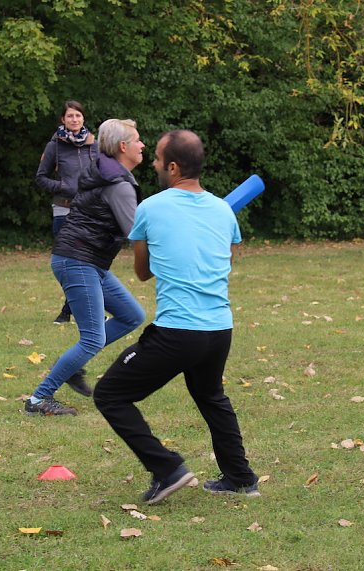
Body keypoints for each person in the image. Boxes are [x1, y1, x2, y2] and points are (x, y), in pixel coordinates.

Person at [93, 130, 260, 504]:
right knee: (210, 395)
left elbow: (142, 272)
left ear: (172, 166)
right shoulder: (223, 210)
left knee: (110, 394)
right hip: (219, 329)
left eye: (155, 158)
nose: (152, 163)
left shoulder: (151, 208)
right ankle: (241, 478)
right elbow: (226, 260)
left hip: (177, 332)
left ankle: (167, 469)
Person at [25, 119, 147, 416]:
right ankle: (38, 399)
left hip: (87, 261)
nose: (142, 145)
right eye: (137, 140)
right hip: (78, 260)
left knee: (132, 315)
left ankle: (70, 365)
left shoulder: (110, 176)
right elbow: (137, 232)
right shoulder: (118, 185)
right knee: (93, 338)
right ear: (122, 146)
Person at [36, 100, 99, 325]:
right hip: (64, 209)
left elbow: (102, 175)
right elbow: (41, 177)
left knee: (90, 262)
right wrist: (63, 187)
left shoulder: (94, 144)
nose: (74, 119)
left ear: (83, 118)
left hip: (90, 211)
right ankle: (78, 308)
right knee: (68, 263)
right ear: (63, 119)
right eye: (70, 116)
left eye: (78, 116)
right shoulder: (55, 145)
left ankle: (73, 309)